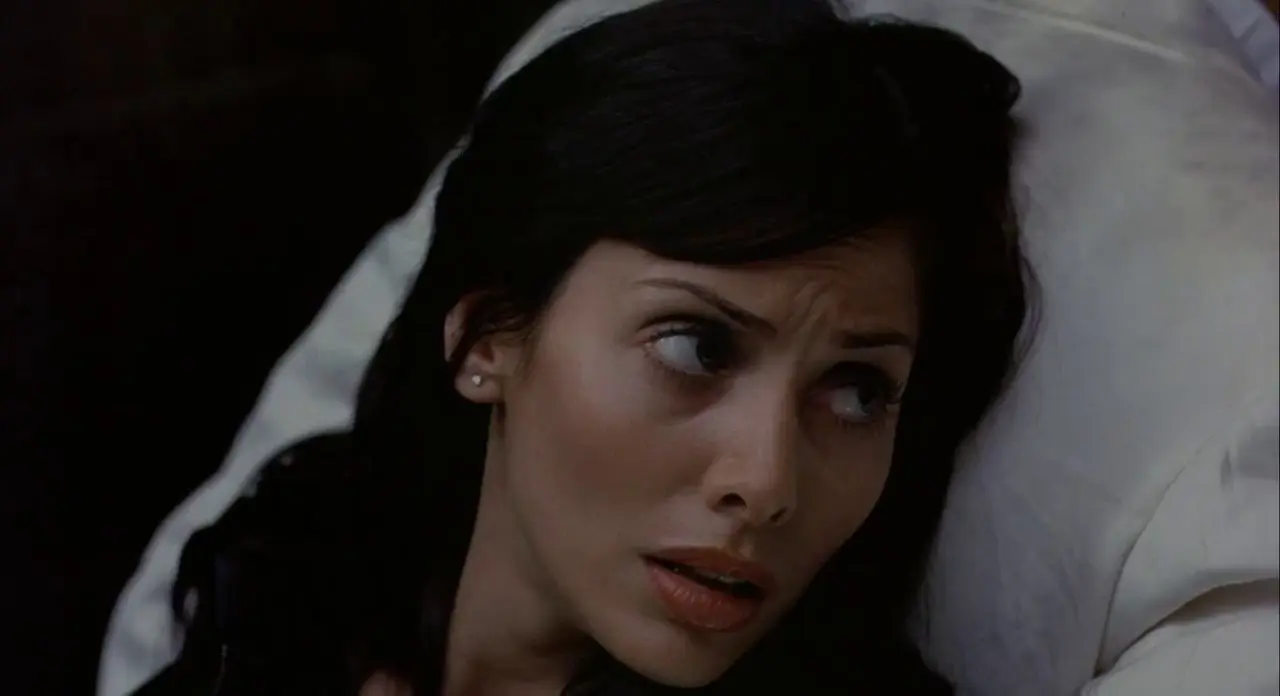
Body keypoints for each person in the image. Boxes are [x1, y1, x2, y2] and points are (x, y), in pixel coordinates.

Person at [133, 0, 1030, 693]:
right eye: (696, 349)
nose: (766, 484)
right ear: (487, 336)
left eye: (858, 391)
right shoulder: (291, 590)